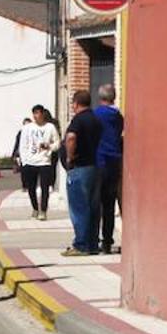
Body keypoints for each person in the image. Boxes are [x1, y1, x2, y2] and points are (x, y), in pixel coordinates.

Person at [61, 89, 102, 256]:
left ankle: (81, 244)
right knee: (93, 208)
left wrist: (70, 157)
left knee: (78, 208)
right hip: (94, 167)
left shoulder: (78, 120)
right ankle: (92, 243)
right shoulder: (96, 120)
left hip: (79, 168)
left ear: (76, 103)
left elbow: (71, 138)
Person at [93, 84, 124, 254]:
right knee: (109, 205)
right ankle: (107, 241)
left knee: (95, 204)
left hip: (98, 161)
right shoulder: (118, 116)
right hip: (114, 162)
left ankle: (93, 239)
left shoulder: (96, 115)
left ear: (100, 97)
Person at [19, 105, 60, 220]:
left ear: (42, 114)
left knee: (44, 187)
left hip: (44, 161)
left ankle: (43, 210)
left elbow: (57, 143)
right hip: (30, 162)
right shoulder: (27, 128)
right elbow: (22, 145)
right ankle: (35, 208)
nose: (36, 116)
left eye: (38, 113)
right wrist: (24, 161)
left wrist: (49, 147)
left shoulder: (50, 127)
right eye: (34, 113)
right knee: (31, 187)